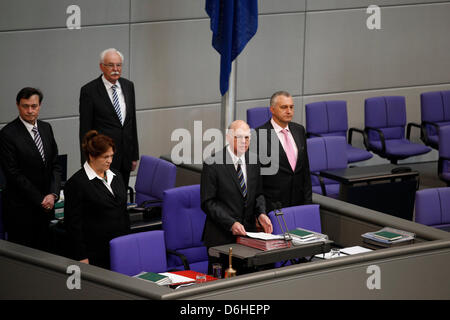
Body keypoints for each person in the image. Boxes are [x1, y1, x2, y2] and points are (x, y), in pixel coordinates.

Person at [0, 87, 61, 251]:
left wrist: (53, 194)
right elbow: (13, 174)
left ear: (40, 105)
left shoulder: (46, 128)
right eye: (25, 106)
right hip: (21, 210)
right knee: (23, 262)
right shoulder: (7, 134)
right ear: (18, 106)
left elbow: (55, 164)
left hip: (46, 207)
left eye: (33, 106)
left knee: (46, 255)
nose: (29, 110)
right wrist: (41, 198)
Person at [201, 120, 273, 250]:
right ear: (229, 137)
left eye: (247, 137)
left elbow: (258, 194)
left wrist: (261, 213)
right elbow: (208, 202)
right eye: (239, 137)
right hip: (221, 237)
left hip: (248, 235)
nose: (244, 141)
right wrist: (231, 223)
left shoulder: (254, 160)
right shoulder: (212, 163)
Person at [64, 130, 130, 269]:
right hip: (96, 253)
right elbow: (73, 226)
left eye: (111, 156)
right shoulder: (76, 183)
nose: (110, 161)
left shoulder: (116, 176)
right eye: (105, 157)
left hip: (121, 248)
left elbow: (123, 213)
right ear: (91, 156)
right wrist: (81, 256)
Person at [79, 48, 139, 187]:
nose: (115, 69)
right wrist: (87, 160)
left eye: (118, 65)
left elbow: (132, 122)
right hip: (102, 157)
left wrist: (134, 155)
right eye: (111, 65)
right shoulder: (89, 91)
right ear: (101, 66)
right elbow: (85, 129)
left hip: (125, 156)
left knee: (121, 197)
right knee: (105, 198)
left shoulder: (128, 86)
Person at [256, 91, 312, 213]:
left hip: (298, 204)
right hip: (273, 208)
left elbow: (305, 171)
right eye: (284, 107)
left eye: (291, 107)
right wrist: (260, 212)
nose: (289, 111)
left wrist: (308, 205)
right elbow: (256, 179)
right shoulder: (259, 135)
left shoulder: (299, 130)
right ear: (272, 109)